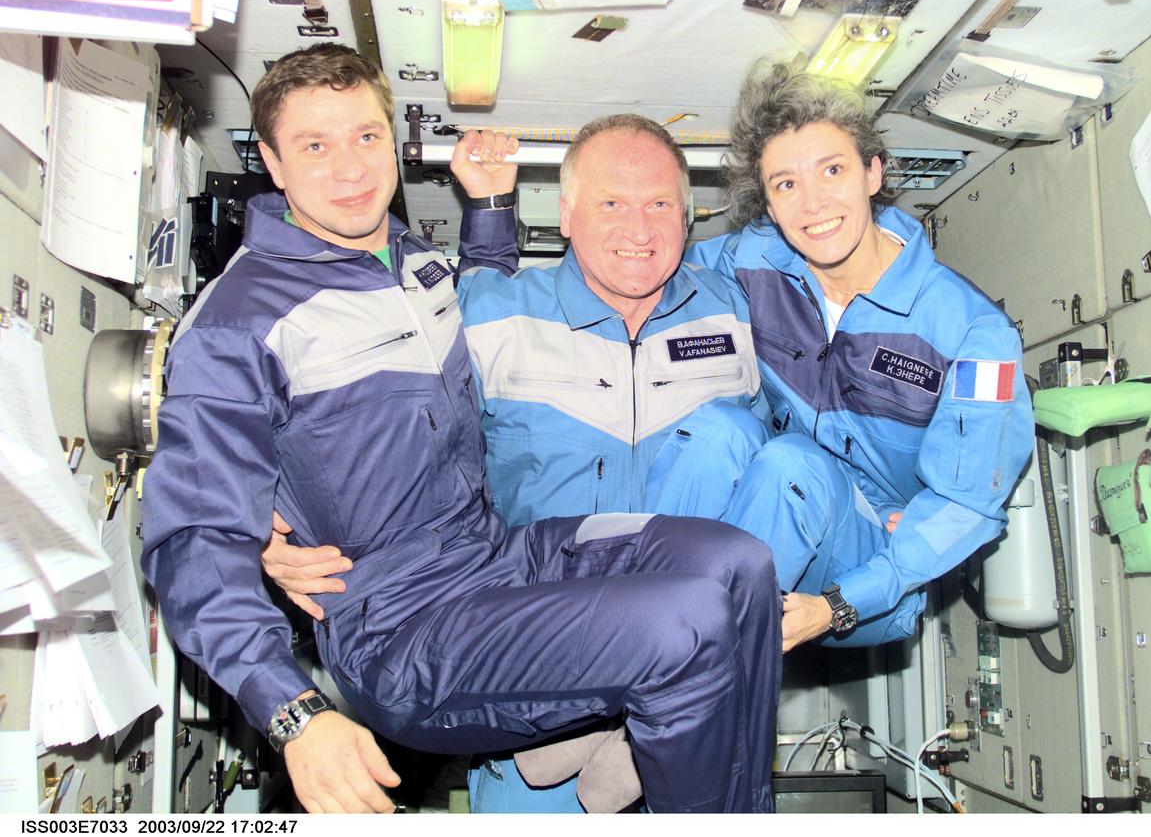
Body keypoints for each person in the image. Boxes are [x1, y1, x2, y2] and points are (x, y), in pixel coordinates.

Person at [140, 43, 781, 815]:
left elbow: (475, 298)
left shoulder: (410, 260)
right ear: (273, 163)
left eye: (366, 138)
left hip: (495, 561)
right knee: (688, 623)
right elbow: (189, 539)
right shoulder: (237, 321)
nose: (349, 168)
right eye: (315, 145)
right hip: (401, 628)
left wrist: (489, 208)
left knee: (738, 564)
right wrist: (293, 712)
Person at [685, 62, 1035, 651]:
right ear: (769, 206)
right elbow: (656, 269)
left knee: (791, 465)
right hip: (773, 514)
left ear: (873, 173)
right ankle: (645, 618)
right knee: (714, 428)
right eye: (786, 185)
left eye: (833, 170)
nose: (813, 204)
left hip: (871, 578)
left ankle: (688, 660)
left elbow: (966, 504)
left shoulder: (972, 334)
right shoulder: (752, 259)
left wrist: (843, 603)